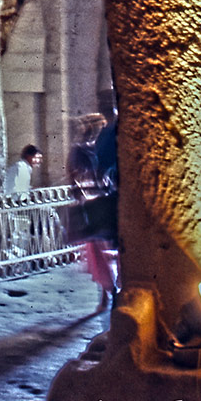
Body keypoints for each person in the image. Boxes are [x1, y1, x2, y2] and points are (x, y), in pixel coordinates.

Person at [67, 114, 119, 310]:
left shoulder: (89, 147)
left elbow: (75, 176)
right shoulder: (85, 148)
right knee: (101, 254)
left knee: (102, 253)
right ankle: (108, 292)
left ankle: (109, 293)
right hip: (100, 201)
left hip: (99, 201)